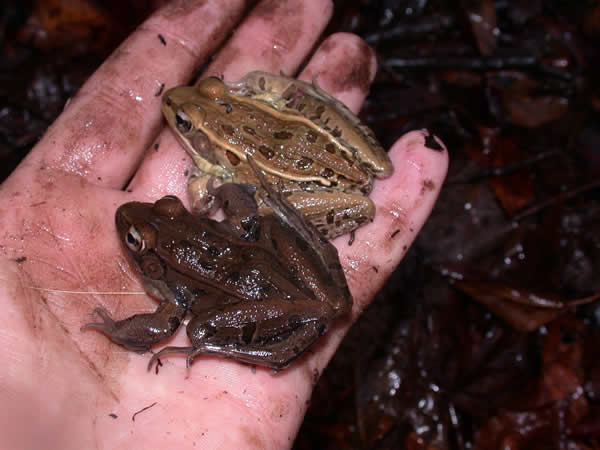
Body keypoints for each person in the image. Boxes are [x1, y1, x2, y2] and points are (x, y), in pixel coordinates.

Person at [0, 0, 448, 448]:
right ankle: (314, 304)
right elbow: (243, 217)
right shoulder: (204, 223)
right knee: (267, 242)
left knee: (199, 328)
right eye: (141, 236)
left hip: (268, 287)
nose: (142, 222)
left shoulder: (173, 283)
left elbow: (159, 326)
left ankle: (293, 317)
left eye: (143, 235)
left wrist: (115, 330)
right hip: (273, 273)